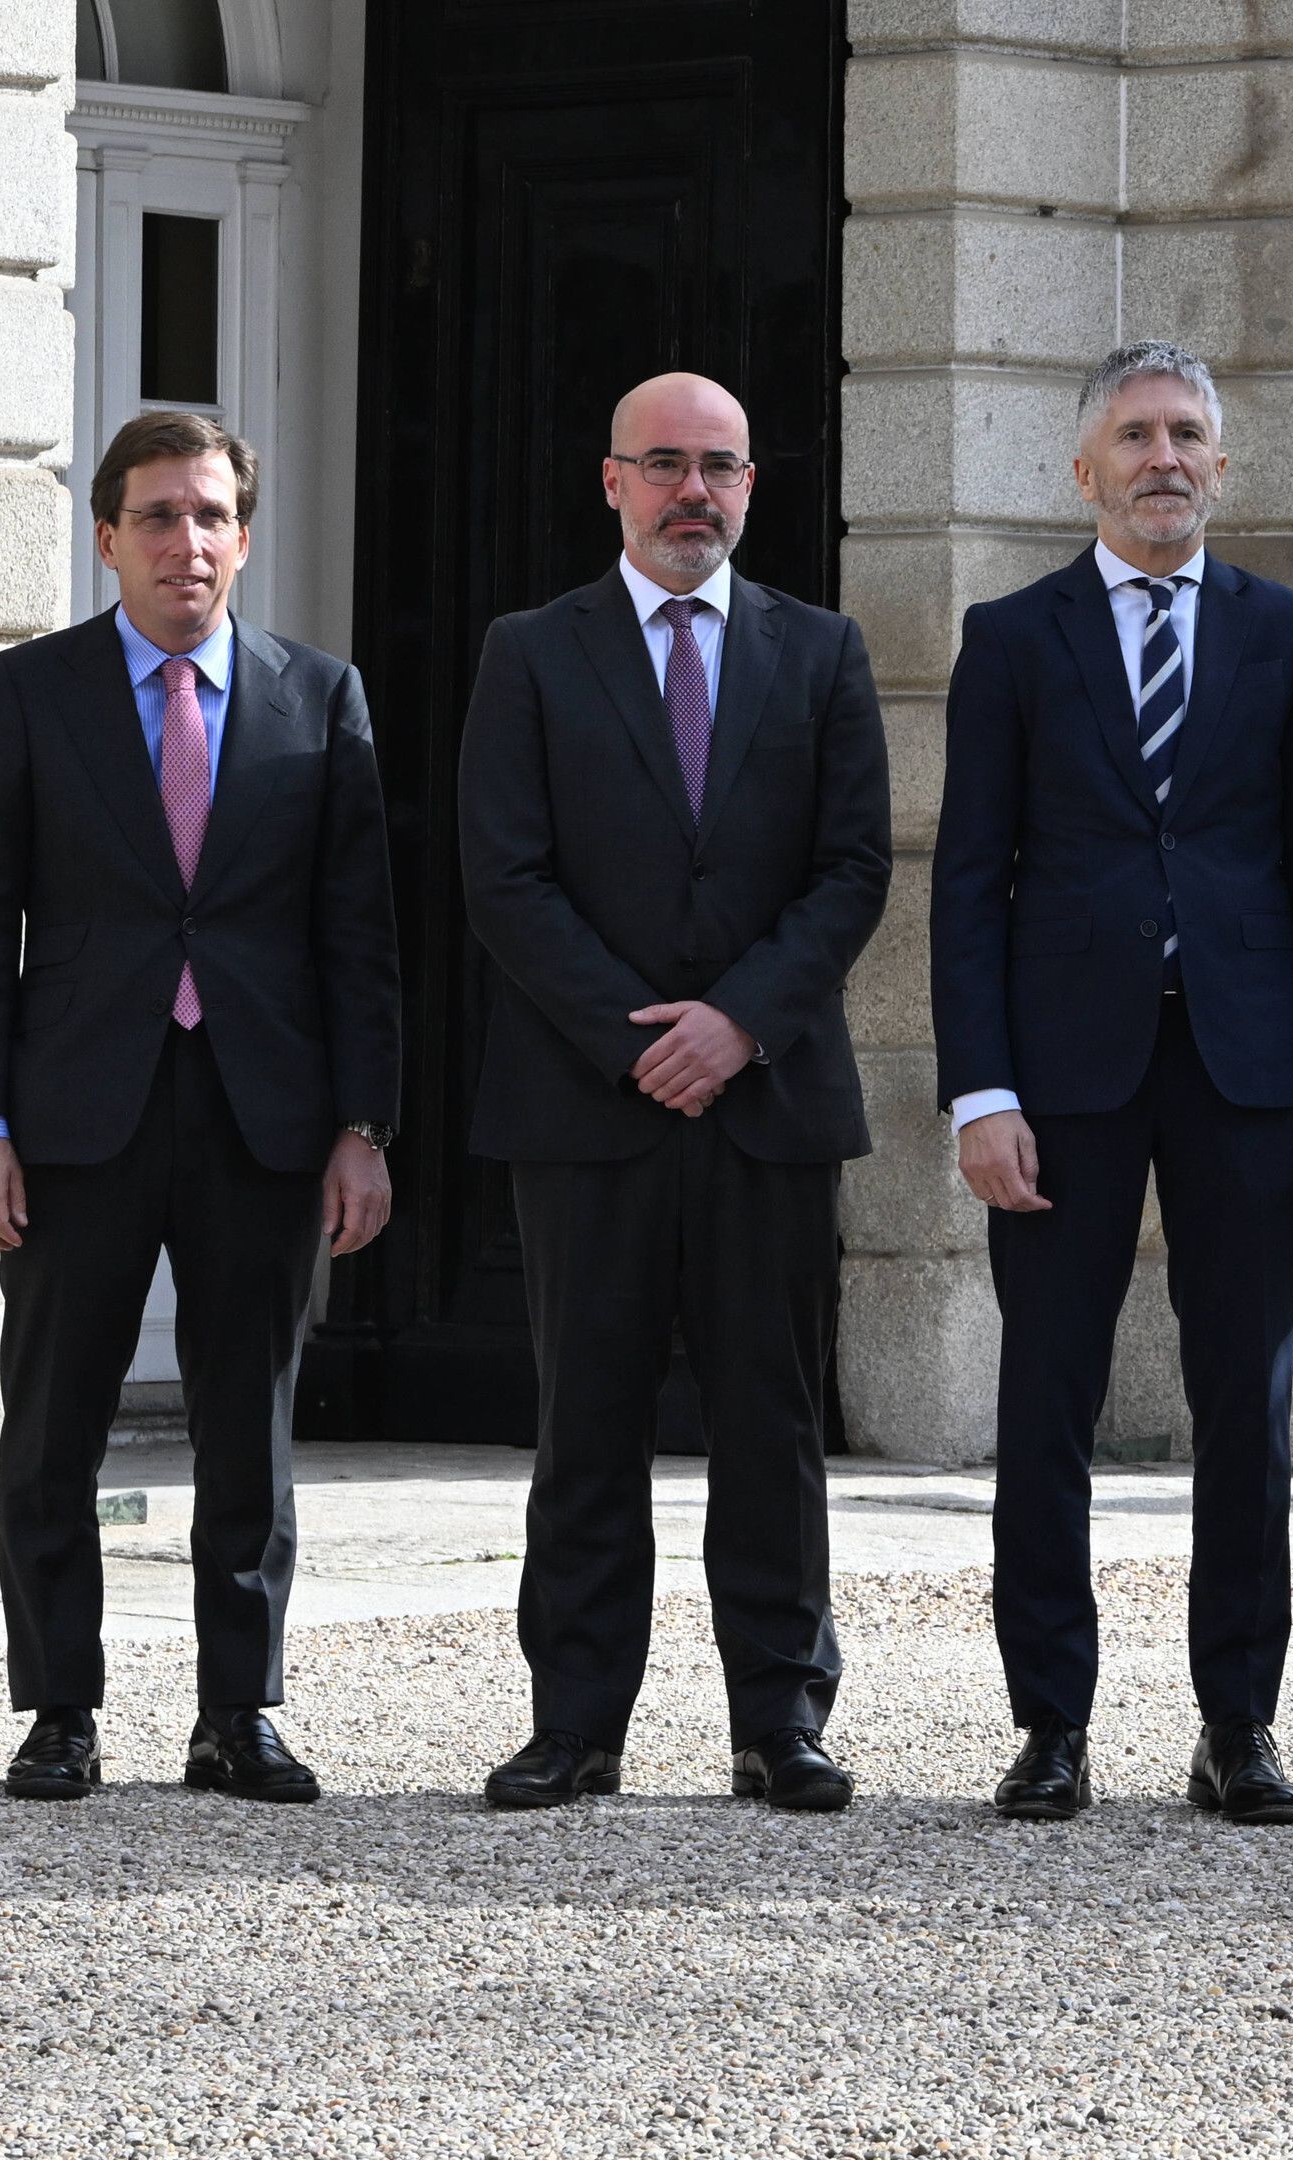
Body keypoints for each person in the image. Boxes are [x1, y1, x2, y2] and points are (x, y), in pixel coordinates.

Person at [930, 342, 1293, 1827]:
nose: (1164, 456)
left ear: (1222, 465)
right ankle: (1051, 1725)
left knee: (1242, 1404)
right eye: (1135, 434)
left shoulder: (1288, 633)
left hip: (1249, 1068)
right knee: (1047, 1396)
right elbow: (968, 888)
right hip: (1063, 1075)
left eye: (1188, 433)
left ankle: (1238, 1725)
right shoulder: (1011, 638)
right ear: (1085, 468)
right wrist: (979, 1093)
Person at [0, 411, 401, 1806]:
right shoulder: (30, 694)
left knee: (244, 1427)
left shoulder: (320, 697)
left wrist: (363, 1126)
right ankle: (60, 1710)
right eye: (155, 516)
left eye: (208, 516)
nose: (183, 542)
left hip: (264, 1114)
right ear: (107, 538)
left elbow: (357, 938)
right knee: (55, 1422)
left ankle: (236, 1714)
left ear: (244, 539)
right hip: (76, 1116)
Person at [456, 372, 894, 1813]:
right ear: (612, 483)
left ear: (754, 486)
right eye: (665, 465)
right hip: (591, 1110)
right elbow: (503, 874)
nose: (693, 490)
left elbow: (853, 872)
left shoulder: (820, 654)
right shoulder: (530, 653)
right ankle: (575, 1723)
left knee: (770, 1425)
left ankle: (783, 1721)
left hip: (765, 1106)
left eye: (720, 467)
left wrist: (740, 1025)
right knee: (589, 1423)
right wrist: (638, 1037)